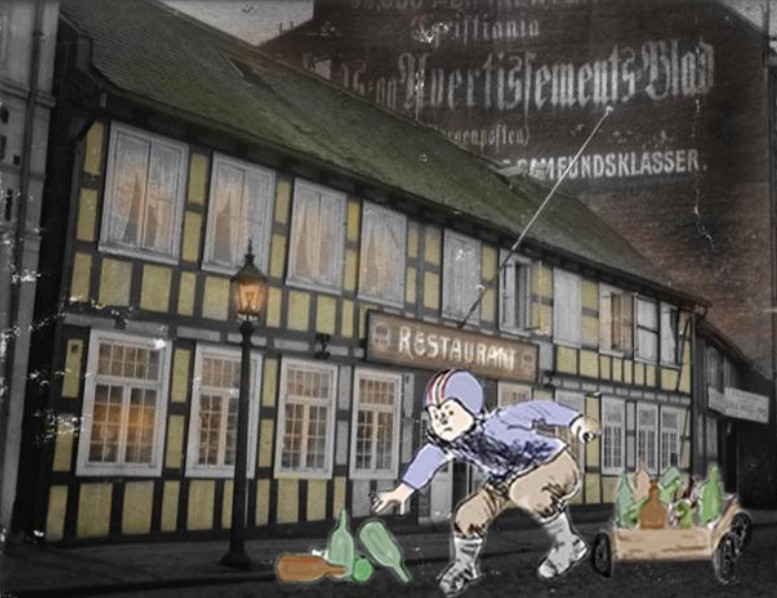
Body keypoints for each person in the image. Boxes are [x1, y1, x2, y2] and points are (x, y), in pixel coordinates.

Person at [372, 369, 600, 596]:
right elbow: (427, 460)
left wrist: (576, 421)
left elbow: (539, 410)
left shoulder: (500, 421)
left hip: (554, 464)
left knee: (525, 491)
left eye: (449, 411)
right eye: (434, 414)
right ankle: (464, 566)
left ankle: (568, 545)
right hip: (506, 480)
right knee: (467, 515)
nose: (441, 420)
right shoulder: (454, 443)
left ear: (471, 409)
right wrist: (400, 492)